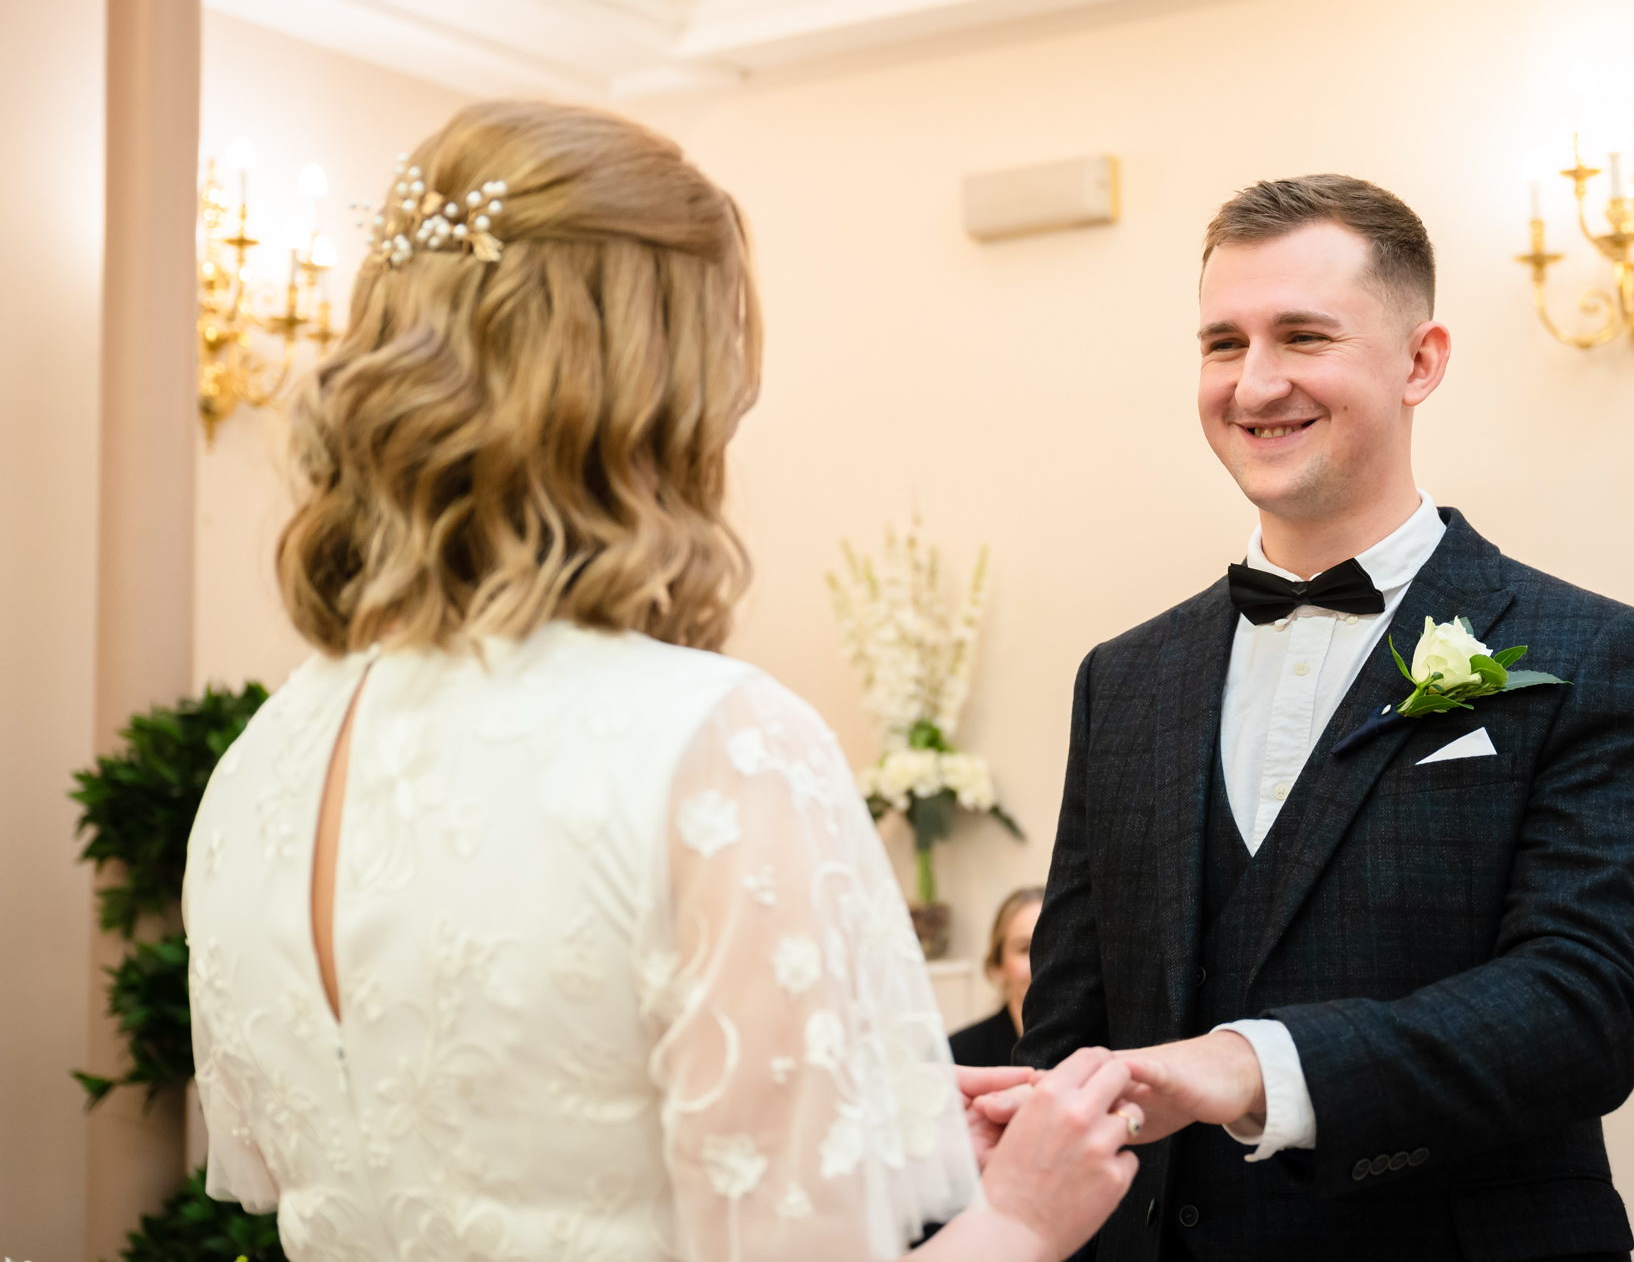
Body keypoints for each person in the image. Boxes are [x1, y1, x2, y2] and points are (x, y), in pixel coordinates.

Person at [181, 100, 1142, 1262]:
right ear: (665, 395)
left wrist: (859, 1129)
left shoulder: (264, 761)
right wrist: (1021, 1219)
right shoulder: (720, 743)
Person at [999, 175, 1634, 1261]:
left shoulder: (1587, 652)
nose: (1254, 382)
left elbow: (1582, 1007)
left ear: (1420, 361)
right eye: (1221, 343)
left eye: (1301, 336)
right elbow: (1071, 1021)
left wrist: (1252, 1062)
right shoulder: (1120, 677)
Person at [950, 886, 1044, 1067]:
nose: (1042, 963)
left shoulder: (1104, 1045)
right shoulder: (957, 1055)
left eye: (1054, 945)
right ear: (998, 964)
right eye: (1025, 949)